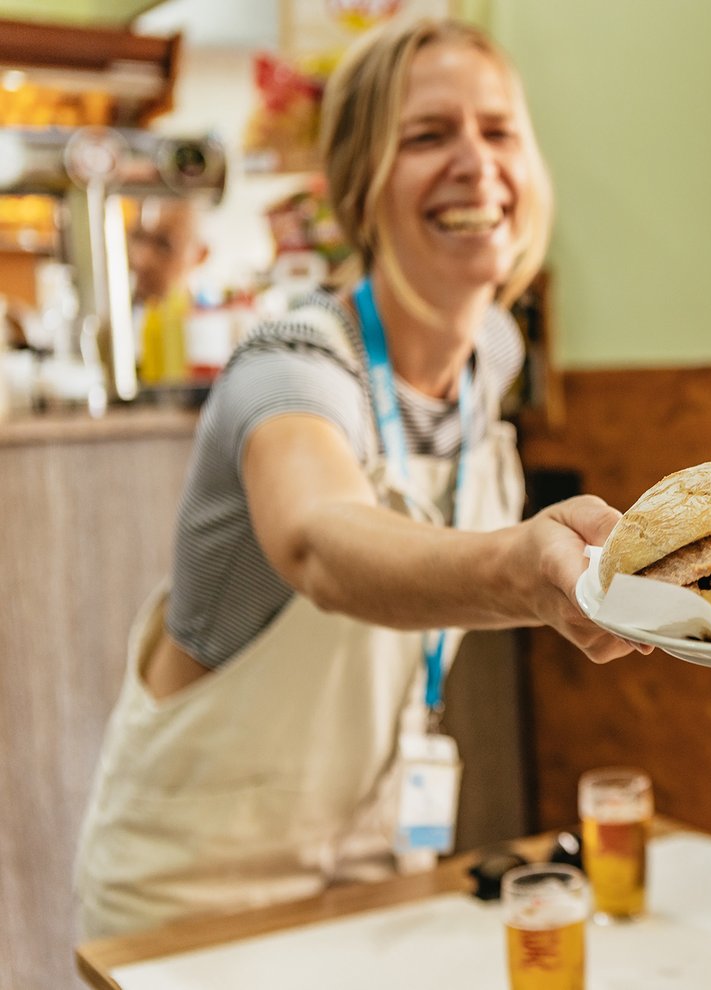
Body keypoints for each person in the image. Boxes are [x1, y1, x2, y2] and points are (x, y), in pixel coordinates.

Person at [75, 16, 641, 939]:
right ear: (357, 185)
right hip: (198, 896)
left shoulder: (491, 355)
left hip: (378, 871)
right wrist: (520, 574)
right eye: (427, 136)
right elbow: (320, 540)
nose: (475, 163)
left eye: (497, 131)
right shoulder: (292, 363)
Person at [127, 197, 208, 384]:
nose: (140, 259)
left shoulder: (209, 332)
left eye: (164, 245)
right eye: (138, 238)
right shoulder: (110, 321)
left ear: (201, 255)